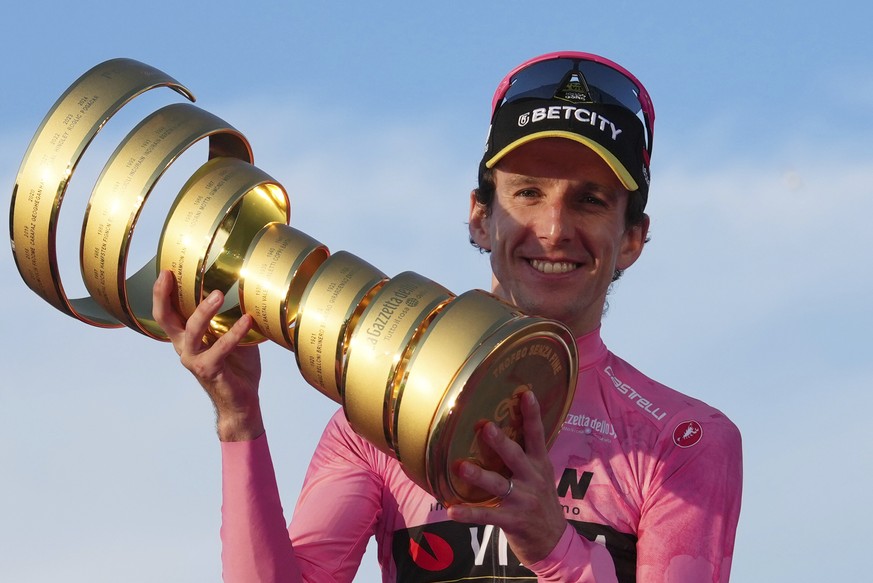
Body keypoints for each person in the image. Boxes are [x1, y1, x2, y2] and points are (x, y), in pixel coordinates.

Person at [153, 51, 742, 582]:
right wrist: (239, 419)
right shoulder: (377, 420)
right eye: (528, 193)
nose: (555, 230)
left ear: (633, 238)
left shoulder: (681, 440)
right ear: (480, 218)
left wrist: (554, 547)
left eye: (589, 200)